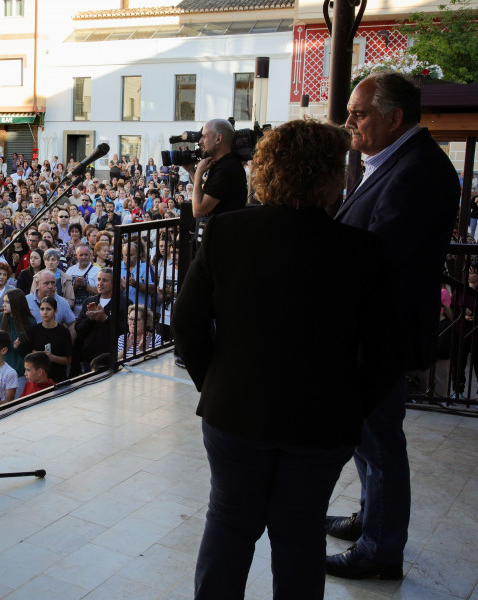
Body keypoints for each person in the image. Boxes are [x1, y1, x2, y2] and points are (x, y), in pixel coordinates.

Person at [172, 118, 400, 598]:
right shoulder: (363, 251)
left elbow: (187, 323)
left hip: (234, 412)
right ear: (331, 177)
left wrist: (213, 384)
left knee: (229, 526)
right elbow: (385, 350)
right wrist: (353, 405)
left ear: (268, 170)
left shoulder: (227, 233)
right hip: (321, 423)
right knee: (299, 536)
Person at [325, 72, 461, 579]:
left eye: (359, 114)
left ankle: (381, 550)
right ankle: (371, 520)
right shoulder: (393, 162)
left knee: (379, 443)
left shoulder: (419, 170)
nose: (350, 122)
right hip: (371, 329)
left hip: (383, 332)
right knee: (368, 441)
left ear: (393, 117)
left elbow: (379, 254)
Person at [180, 118, 247, 218]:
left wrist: (198, 173)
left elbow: (198, 211)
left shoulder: (225, 170)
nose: (199, 141)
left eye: (203, 136)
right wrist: (191, 171)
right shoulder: (228, 164)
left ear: (218, 139)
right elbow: (209, 192)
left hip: (222, 231)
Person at [74, 268, 128, 371]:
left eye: (105, 280)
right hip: (90, 359)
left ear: (113, 283)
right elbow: (79, 329)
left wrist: (105, 319)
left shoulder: (123, 303)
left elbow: (125, 330)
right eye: (98, 280)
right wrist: (91, 318)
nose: (100, 283)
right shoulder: (88, 302)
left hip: (112, 358)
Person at [0, 288, 35, 396]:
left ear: (16, 303)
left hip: (20, 374)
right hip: (0, 372)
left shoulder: (30, 321)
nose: (3, 305)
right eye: (3, 301)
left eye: (7, 302)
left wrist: (20, 346)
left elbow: (32, 350)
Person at [29, 295, 73, 383]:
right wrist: (38, 355)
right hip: (38, 379)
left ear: (55, 311)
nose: (45, 312)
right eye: (42, 309)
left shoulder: (63, 332)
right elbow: (29, 353)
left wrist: (52, 357)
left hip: (58, 378)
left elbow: (68, 360)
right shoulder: (34, 330)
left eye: (48, 309)